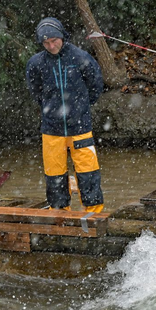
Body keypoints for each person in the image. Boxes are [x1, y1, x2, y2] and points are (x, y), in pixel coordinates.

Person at [26, 17, 105, 213]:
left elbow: (95, 86)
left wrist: (81, 108)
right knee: (54, 173)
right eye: (46, 43)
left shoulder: (80, 58)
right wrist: (50, 109)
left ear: (62, 36)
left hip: (80, 126)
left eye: (54, 40)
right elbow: (35, 91)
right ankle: (59, 211)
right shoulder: (36, 63)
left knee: (88, 171)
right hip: (51, 128)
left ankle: (93, 212)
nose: (51, 46)